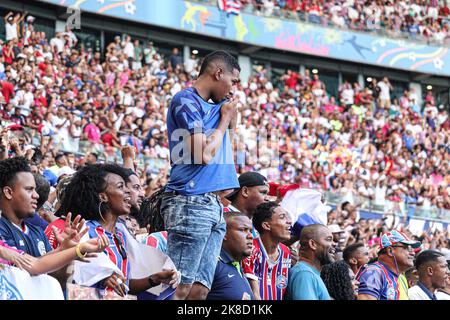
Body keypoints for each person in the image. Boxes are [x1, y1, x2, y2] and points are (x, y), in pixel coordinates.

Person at [161, 50, 240, 300]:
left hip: (212, 203)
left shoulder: (216, 106)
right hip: (190, 200)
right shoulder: (186, 101)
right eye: (233, 81)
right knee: (178, 288)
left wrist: (228, 115)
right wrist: (224, 118)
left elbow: (232, 131)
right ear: (218, 73)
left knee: (199, 291)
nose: (234, 88)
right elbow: (202, 155)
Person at [57, 163, 178, 297]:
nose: (127, 191)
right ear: (103, 196)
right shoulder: (85, 231)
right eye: (121, 186)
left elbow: (125, 287)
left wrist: (154, 279)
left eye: (127, 186)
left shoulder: (121, 234)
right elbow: (71, 277)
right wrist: (101, 279)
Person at [242, 201, 292, 300]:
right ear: (266, 225)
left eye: (287, 217)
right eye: (282, 217)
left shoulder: (286, 252)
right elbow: (255, 295)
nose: (289, 221)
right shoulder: (251, 250)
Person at [357, 230, 421, 300]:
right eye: (407, 248)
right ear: (390, 251)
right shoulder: (374, 273)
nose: (413, 253)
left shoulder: (394, 276)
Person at [207, 212, 255, 300]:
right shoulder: (211, 264)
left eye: (250, 231)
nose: (250, 236)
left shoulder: (237, 265)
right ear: (223, 233)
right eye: (243, 229)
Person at [285, 224, 335, 300]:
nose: (334, 244)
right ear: (312, 244)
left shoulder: (309, 273)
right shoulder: (304, 274)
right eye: (328, 239)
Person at [225, 171, 270, 237]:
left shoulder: (256, 223)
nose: (267, 198)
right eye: (263, 192)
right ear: (245, 191)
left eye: (267, 194)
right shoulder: (222, 217)